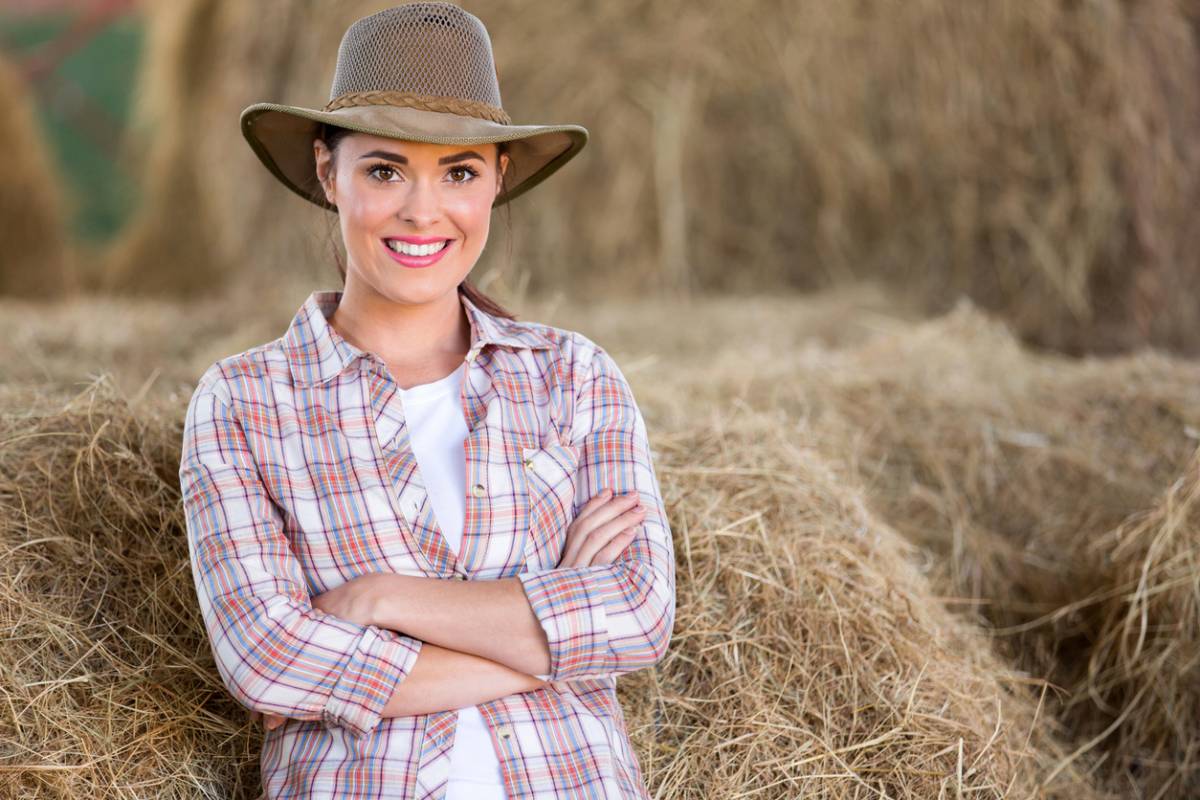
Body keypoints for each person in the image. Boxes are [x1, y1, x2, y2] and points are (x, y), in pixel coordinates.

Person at [178, 4, 676, 799]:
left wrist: (381, 601)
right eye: (384, 169)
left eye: (459, 172)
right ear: (325, 169)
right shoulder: (244, 403)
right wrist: (549, 640)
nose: (422, 210)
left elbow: (639, 615)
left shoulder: (573, 376)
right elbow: (265, 660)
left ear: (497, 181)